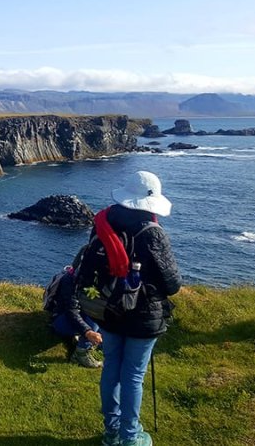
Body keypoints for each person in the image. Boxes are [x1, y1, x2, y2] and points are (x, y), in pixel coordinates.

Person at [78, 171, 182, 446]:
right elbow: (172, 284)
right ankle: (130, 435)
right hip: (143, 316)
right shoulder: (152, 233)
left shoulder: (103, 223)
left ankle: (111, 431)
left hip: (109, 311)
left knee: (112, 365)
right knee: (133, 374)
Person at [48, 267, 103, 368]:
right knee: (97, 311)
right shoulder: (72, 279)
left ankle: (96, 342)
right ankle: (81, 353)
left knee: (101, 308)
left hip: (78, 317)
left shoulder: (97, 278)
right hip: (61, 320)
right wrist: (88, 332)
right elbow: (71, 310)